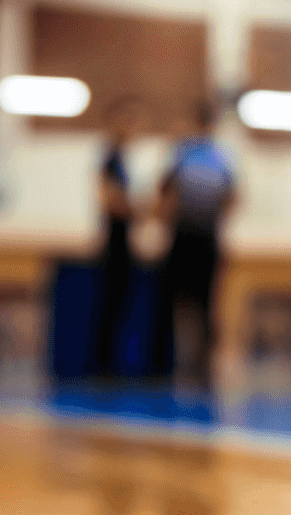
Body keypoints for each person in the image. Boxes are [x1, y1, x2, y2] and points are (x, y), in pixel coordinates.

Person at [149, 98, 236, 382]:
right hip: (191, 236)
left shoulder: (211, 156)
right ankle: (170, 362)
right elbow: (165, 191)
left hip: (198, 237)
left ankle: (198, 364)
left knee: (201, 303)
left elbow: (233, 197)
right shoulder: (190, 153)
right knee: (179, 302)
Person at [88, 97, 145, 377]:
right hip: (114, 237)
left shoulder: (122, 159)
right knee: (109, 304)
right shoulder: (110, 158)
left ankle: (110, 362)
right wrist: (140, 210)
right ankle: (102, 366)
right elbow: (110, 201)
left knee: (119, 304)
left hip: (123, 237)